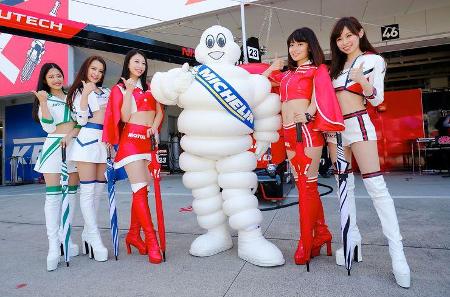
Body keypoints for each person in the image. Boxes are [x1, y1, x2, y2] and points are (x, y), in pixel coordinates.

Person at [151, 25, 285, 267]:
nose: (216, 48)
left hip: (233, 150)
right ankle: (217, 234)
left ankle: (250, 238)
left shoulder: (246, 79)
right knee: (205, 196)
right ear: (201, 48)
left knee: (239, 193)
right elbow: (161, 88)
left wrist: (265, 136)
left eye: (221, 43)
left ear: (233, 49)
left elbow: (264, 104)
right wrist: (175, 83)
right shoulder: (189, 76)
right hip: (197, 153)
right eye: (210, 42)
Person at [327, 16, 410, 288]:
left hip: (360, 124)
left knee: (376, 187)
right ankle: (352, 242)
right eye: (339, 38)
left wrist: (362, 81)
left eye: (349, 35)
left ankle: (398, 255)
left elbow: (378, 99)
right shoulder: (336, 68)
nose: (345, 42)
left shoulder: (372, 60)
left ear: (360, 33)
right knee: (344, 188)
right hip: (336, 133)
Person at [262, 27, 344, 268]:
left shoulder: (317, 70)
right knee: (303, 185)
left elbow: (322, 95)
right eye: (291, 45)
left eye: (299, 44)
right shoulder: (287, 74)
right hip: (288, 132)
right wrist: (272, 66)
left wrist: (308, 114)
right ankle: (322, 233)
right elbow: (264, 80)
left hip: (305, 131)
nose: (294, 49)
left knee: (306, 187)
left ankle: (306, 240)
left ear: (310, 46)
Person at [103, 49, 164, 264]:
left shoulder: (151, 87)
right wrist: (128, 91)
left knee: (143, 191)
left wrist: (154, 129)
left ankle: (132, 235)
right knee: (139, 190)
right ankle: (152, 240)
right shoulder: (120, 88)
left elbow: (159, 113)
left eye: (143, 63)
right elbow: (125, 117)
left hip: (147, 141)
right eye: (136, 62)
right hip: (131, 141)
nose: (140, 66)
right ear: (128, 64)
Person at [32, 63, 80, 271]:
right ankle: (53, 246)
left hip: (75, 146)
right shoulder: (45, 98)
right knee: (53, 198)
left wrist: (72, 134)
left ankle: (66, 239)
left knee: (71, 195)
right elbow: (49, 127)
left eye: (58, 75)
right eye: (51, 76)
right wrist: (42, 102)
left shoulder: (72, 96)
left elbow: (81, 120)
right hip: (54, 147)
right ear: (45, 80)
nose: (56, 79)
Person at [66, 56, 109, 262]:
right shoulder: (78, 91)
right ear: (86, 68)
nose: (97, 74)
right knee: (88, 191)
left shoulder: (106, 92)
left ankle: (86, 232)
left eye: (101, 71)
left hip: (104, 143)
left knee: (97, 192)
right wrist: (85, 94)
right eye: (94, 69)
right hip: (86, 142)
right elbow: (81, 120)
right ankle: (94, 236)